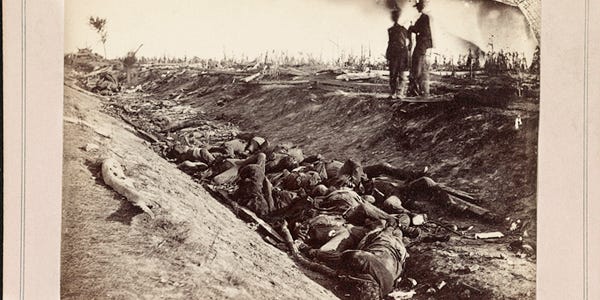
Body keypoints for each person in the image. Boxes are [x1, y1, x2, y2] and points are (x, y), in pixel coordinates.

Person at [408, 0, 433, 97]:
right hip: (423, 45)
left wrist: (412, 28)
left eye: (418, 6)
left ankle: (418, 91)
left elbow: (422, 30)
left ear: (422, 7)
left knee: (418, 68)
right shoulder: (424, 17)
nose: (417, 8)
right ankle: (422, 91)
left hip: (422, 45)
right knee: (421, 69)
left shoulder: (424, 17)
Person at [385, 9, 410, 99]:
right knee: (393, 74)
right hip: (393, 55)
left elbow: (407, 42)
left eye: (396, 16)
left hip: (402, 54)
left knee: (401, 74)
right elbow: (390, 42)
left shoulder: (403, 30)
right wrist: (388, 54)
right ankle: (393, 93)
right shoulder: (390, 30)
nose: (394, 18)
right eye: (393, 16)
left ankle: (400, 93)